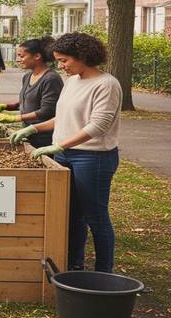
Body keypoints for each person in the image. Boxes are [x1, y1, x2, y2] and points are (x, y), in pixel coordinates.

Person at [10, 33, 121, 273]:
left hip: (92, 157)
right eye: (58, 61)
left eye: (64, 61)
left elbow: (97, 126)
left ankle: (104, 273)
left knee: (96, 216)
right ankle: (75, 263)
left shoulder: (106, 84)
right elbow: (62, 117)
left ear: (83, 56)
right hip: (65, 155)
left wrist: (60, 145)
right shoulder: (72, 81)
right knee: (71, 214)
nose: (60, 66)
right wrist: (35, 127)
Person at [0, 37, 63, 149]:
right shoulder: (27, 76)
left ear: (37, 56)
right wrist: (7, 107)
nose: (18, 60)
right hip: (28, 133)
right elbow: (28, 101)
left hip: (44, 138)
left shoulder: (51, 79)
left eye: (21, 56)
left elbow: (47, 110)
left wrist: (15, 118)